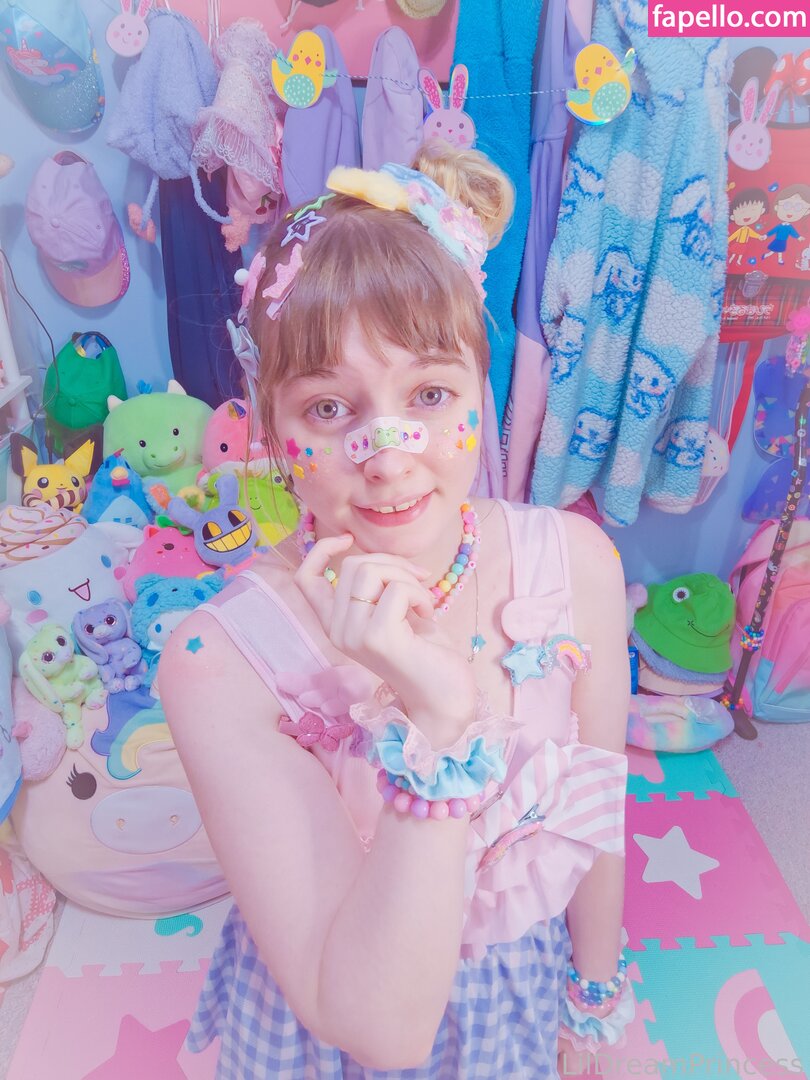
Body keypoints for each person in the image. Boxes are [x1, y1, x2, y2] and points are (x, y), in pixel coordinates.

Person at [160, 144, 635, 1078]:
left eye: (428, 394)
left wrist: (593, 998)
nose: (389, 457)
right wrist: (439, 725)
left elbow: (596, 813)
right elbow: (379, 1031)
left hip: (513, 1006)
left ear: (480, 391)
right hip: (330, 1023)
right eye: (329, 409)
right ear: (269, 424)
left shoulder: (574, 566)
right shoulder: (219, 660)